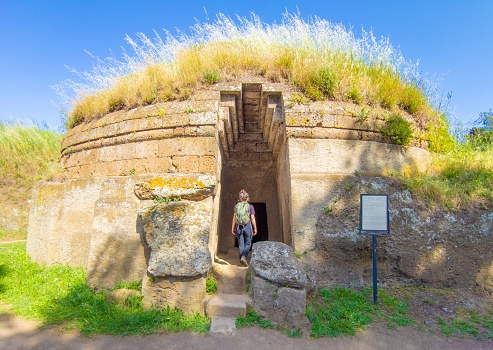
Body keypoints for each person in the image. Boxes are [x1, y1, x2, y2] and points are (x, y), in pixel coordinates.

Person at [231, 189, 257, 266]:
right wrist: (255, 228)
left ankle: (241, 259)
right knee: (248, 242)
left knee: (241, 243)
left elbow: (234, 218)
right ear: (247, 198)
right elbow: (252, 218)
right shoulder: (250, 206)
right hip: (247, 225)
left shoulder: (236, 206)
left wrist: (232, 227)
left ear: (239, 199)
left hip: (239, 226)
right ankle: (244, 256)